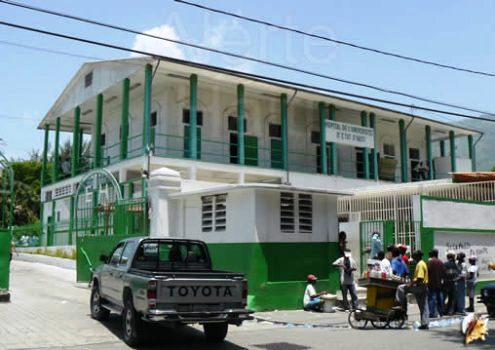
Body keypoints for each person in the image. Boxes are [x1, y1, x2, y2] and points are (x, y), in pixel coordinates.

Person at [396, 250, 429, 330]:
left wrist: (410, 284)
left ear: (417, 256)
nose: (413, 258)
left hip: (419, 286)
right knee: (423, 305)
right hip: (424, 286)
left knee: (400, 288)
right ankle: (425, 323)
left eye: (414, 256)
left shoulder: (420, 264)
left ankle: (401, 304)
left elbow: (419, 278)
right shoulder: (422, 263)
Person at [427, 249, 445, 318]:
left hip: (431, 283)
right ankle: (441, 312)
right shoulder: (440, 262)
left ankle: (432, 313)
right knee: (440, 298)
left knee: (432, 298)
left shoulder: (430, 262)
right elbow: (444, 272)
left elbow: (427, 272)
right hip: (439, 283)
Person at [443, 250, 460, 315]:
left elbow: (443, 274)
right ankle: (450, 311)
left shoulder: (445, 264)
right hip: (453, 284)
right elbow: (458, 275)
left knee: (444, 297)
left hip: (446, 283)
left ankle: (443, 311)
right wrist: (454, 280)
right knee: (451, 298)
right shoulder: (455, 265)